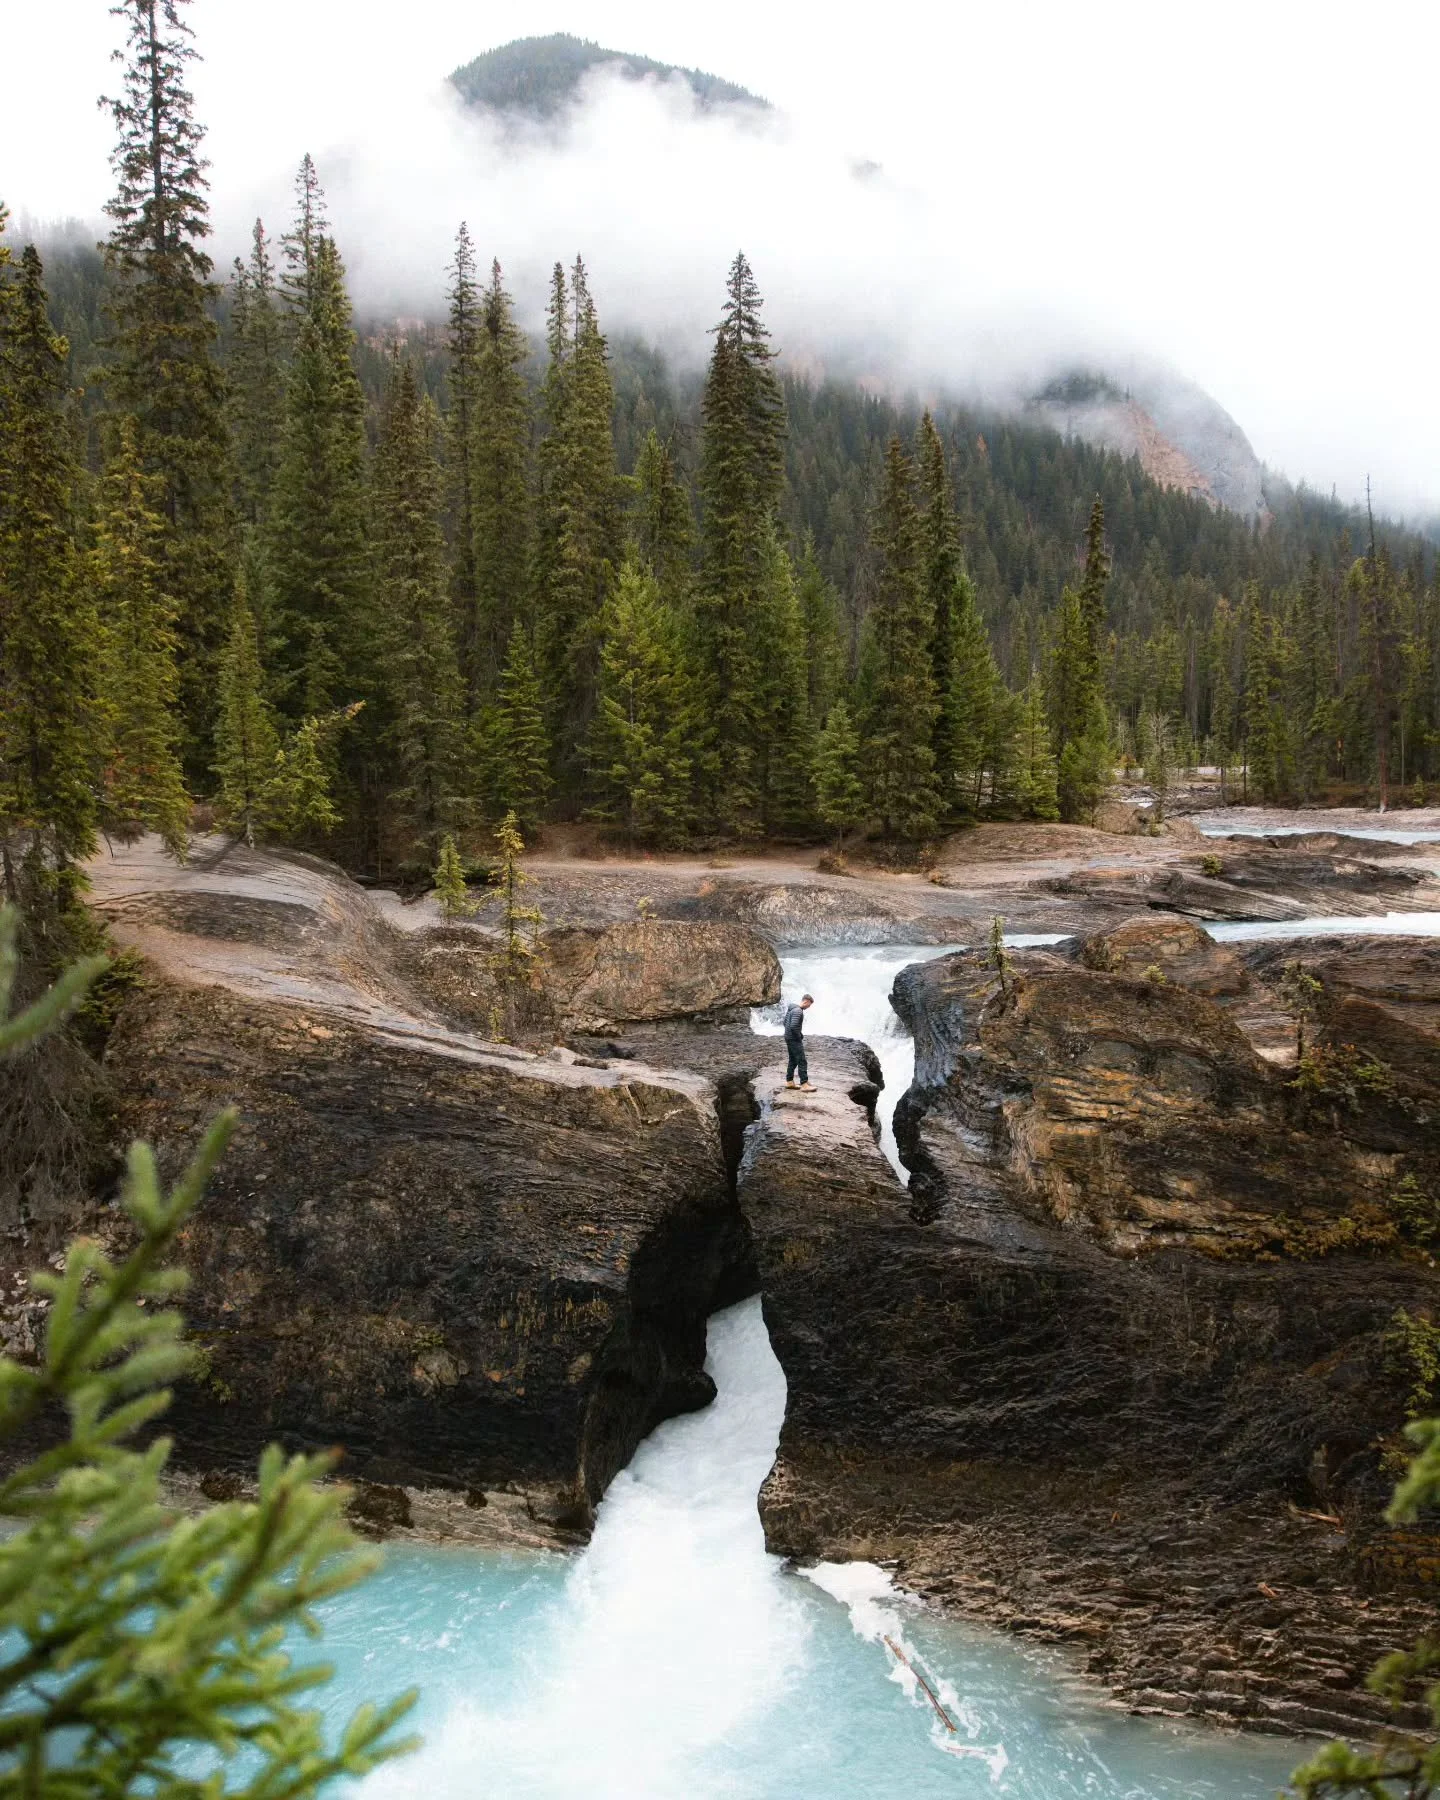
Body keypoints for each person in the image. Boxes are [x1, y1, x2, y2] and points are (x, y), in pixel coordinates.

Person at [783, 993, 816, 1091]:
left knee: (793, 1060)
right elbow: (793, 1026)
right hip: (794, 1039)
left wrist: (790, 1034)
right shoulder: (798, 1011)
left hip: (788, 1037)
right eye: (809, 1005)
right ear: (806, 1001)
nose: (809, 1007)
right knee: (802, 1060)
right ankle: (804, 1084)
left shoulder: (791, 1009)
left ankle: (789, 1082)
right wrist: (799, 1036)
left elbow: (784, 1022)